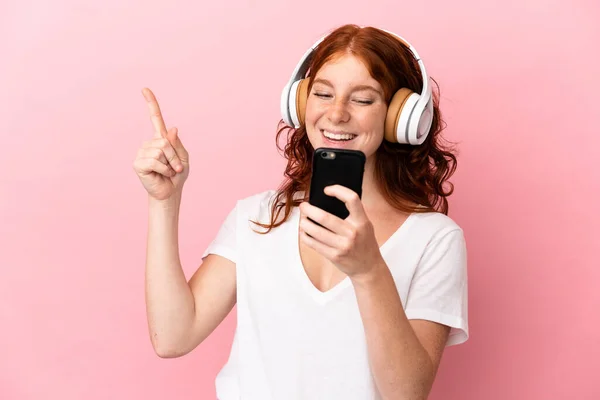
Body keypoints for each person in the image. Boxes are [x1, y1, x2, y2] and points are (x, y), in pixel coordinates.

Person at [133, 24, 468, 400]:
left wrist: (369, 270)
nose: (336, 113)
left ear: (401, 117)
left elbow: (406, 393)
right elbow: (173, 336)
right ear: (300, 103)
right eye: (323, 94)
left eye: (362, 99)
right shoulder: (257, 215)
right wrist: (164, 201)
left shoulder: (435, 239)